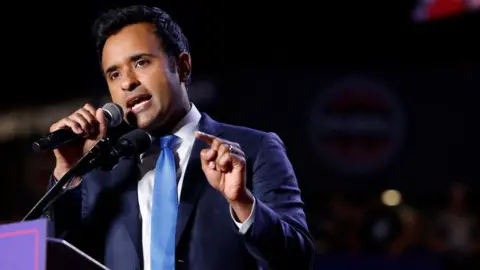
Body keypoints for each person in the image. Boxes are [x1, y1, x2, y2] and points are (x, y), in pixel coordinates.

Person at [47, 5, 314, 270]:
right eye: (114, 74)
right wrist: (67, 172)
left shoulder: (255, 149)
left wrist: (243, 203)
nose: (127, 83)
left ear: (183, 67)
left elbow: (298, 259)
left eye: (141, 62)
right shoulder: (103, 172)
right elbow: (58, 254)